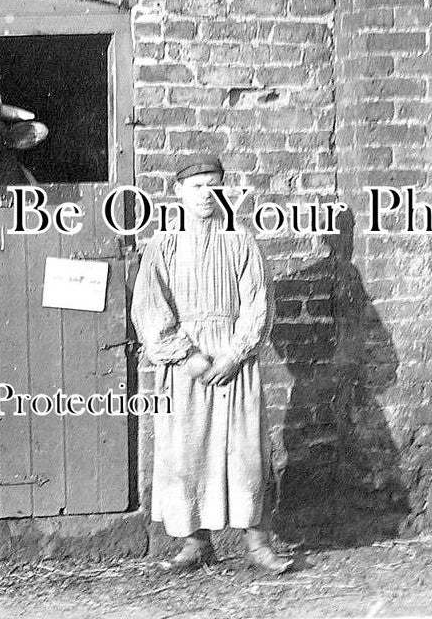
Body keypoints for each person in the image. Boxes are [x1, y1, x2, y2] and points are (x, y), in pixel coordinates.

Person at [131, 154, 292, 574]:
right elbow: (150, 307)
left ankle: (257, 542)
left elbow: (258, 303)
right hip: (185, 363)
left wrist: (235, 354)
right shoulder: (163, 245)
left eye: (213, 184)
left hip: (233, 361)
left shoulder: (239, 240)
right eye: (197, 185)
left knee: (245, 450)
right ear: (179, 191)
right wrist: (187, 355)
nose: (206, 193)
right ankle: (195, 542)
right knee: (185, 450)